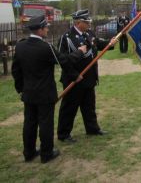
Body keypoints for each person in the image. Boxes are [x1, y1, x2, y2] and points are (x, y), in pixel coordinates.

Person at [12, 15, 86, 163]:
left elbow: (16, 71)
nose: (47, 30)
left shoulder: (20, 46)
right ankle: (46, 153)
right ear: (40, 30)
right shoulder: (46, 48)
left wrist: (21, 89)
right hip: (45, 94)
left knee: (29, 123)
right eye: (46, 27)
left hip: (28, 93)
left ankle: (29, 152)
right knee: (45, 123)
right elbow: (65, 61)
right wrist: (80, 52)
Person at [57, 9, 116, 142]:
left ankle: (92, 129)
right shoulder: (66, 38)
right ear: (78, 23)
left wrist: (110, 43)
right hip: (74, 79)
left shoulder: (89, 33)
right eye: (86, 21)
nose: (89, 23)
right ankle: (64, 134)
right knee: (69, 108)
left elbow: (98, 44)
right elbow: (63, 61)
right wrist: (74, 75)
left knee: (89, 106)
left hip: (89, 78)